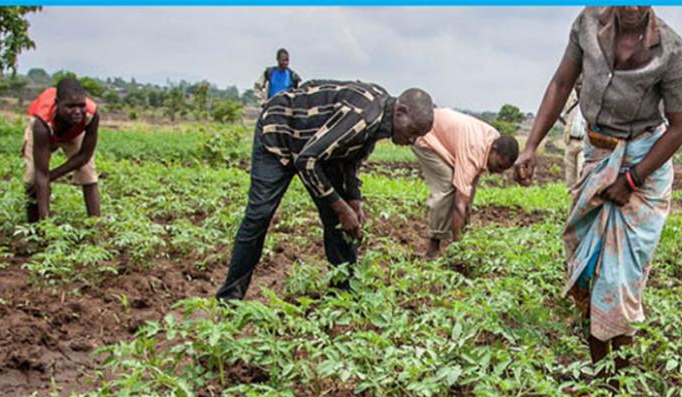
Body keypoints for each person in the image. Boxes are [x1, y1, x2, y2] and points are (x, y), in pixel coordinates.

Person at [513, 6, 682, 378]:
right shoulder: (587, 22)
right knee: (588, 267)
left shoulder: (670, 49)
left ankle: (618, 383)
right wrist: (531, 146)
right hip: (597, 156)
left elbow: (680, 126)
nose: (631, 7)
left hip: (644, 164)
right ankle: (600, 376)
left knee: (620, 279)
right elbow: (561, 83)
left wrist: (632, 179)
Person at [216, 80, 434, 300]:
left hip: (316, 149)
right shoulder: (362, 117)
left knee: (340, 222)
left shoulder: (382, 114)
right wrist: (342, 209)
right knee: (259, 215)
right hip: (280, 131)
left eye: (418, 136)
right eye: (412, 131)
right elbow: (307, 161)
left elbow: (351, 157)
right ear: (400, 112)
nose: (412, 140)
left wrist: (354, 200)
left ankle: (344, 297)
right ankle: (229, 298)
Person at [412, 108, 519, 259]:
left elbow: (468, 192)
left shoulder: (494, 138)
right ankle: (434, 247)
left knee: (465, 192)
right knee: (448, 187)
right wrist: (459, 247)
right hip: (425, 135)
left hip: (444, 136)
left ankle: (463, 235)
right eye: (499, 166)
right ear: (493, 150)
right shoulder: (473, 153)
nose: (498, 172)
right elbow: (459, 204)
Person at [23, 77, 101, 223]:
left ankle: (96, 224)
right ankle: (36, 225)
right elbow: (41, 172)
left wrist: (52, 176)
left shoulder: (91, 115)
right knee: (33, 178)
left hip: (74, 132)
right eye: (70, 107)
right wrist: (44, 178)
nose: (77, 111)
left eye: (81, 106)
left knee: (88, 173)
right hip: (47, 131)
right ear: (57, 104)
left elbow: (84, 156)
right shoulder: (41, 124)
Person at [562, 82, 586, 188]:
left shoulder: (591, 100)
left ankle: (580, 197)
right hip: (570, 141)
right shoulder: (571, 99)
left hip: (584, 142)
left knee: (581, 174)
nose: (579, 87)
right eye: (577, 84)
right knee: (569, 177)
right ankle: (570, 197)